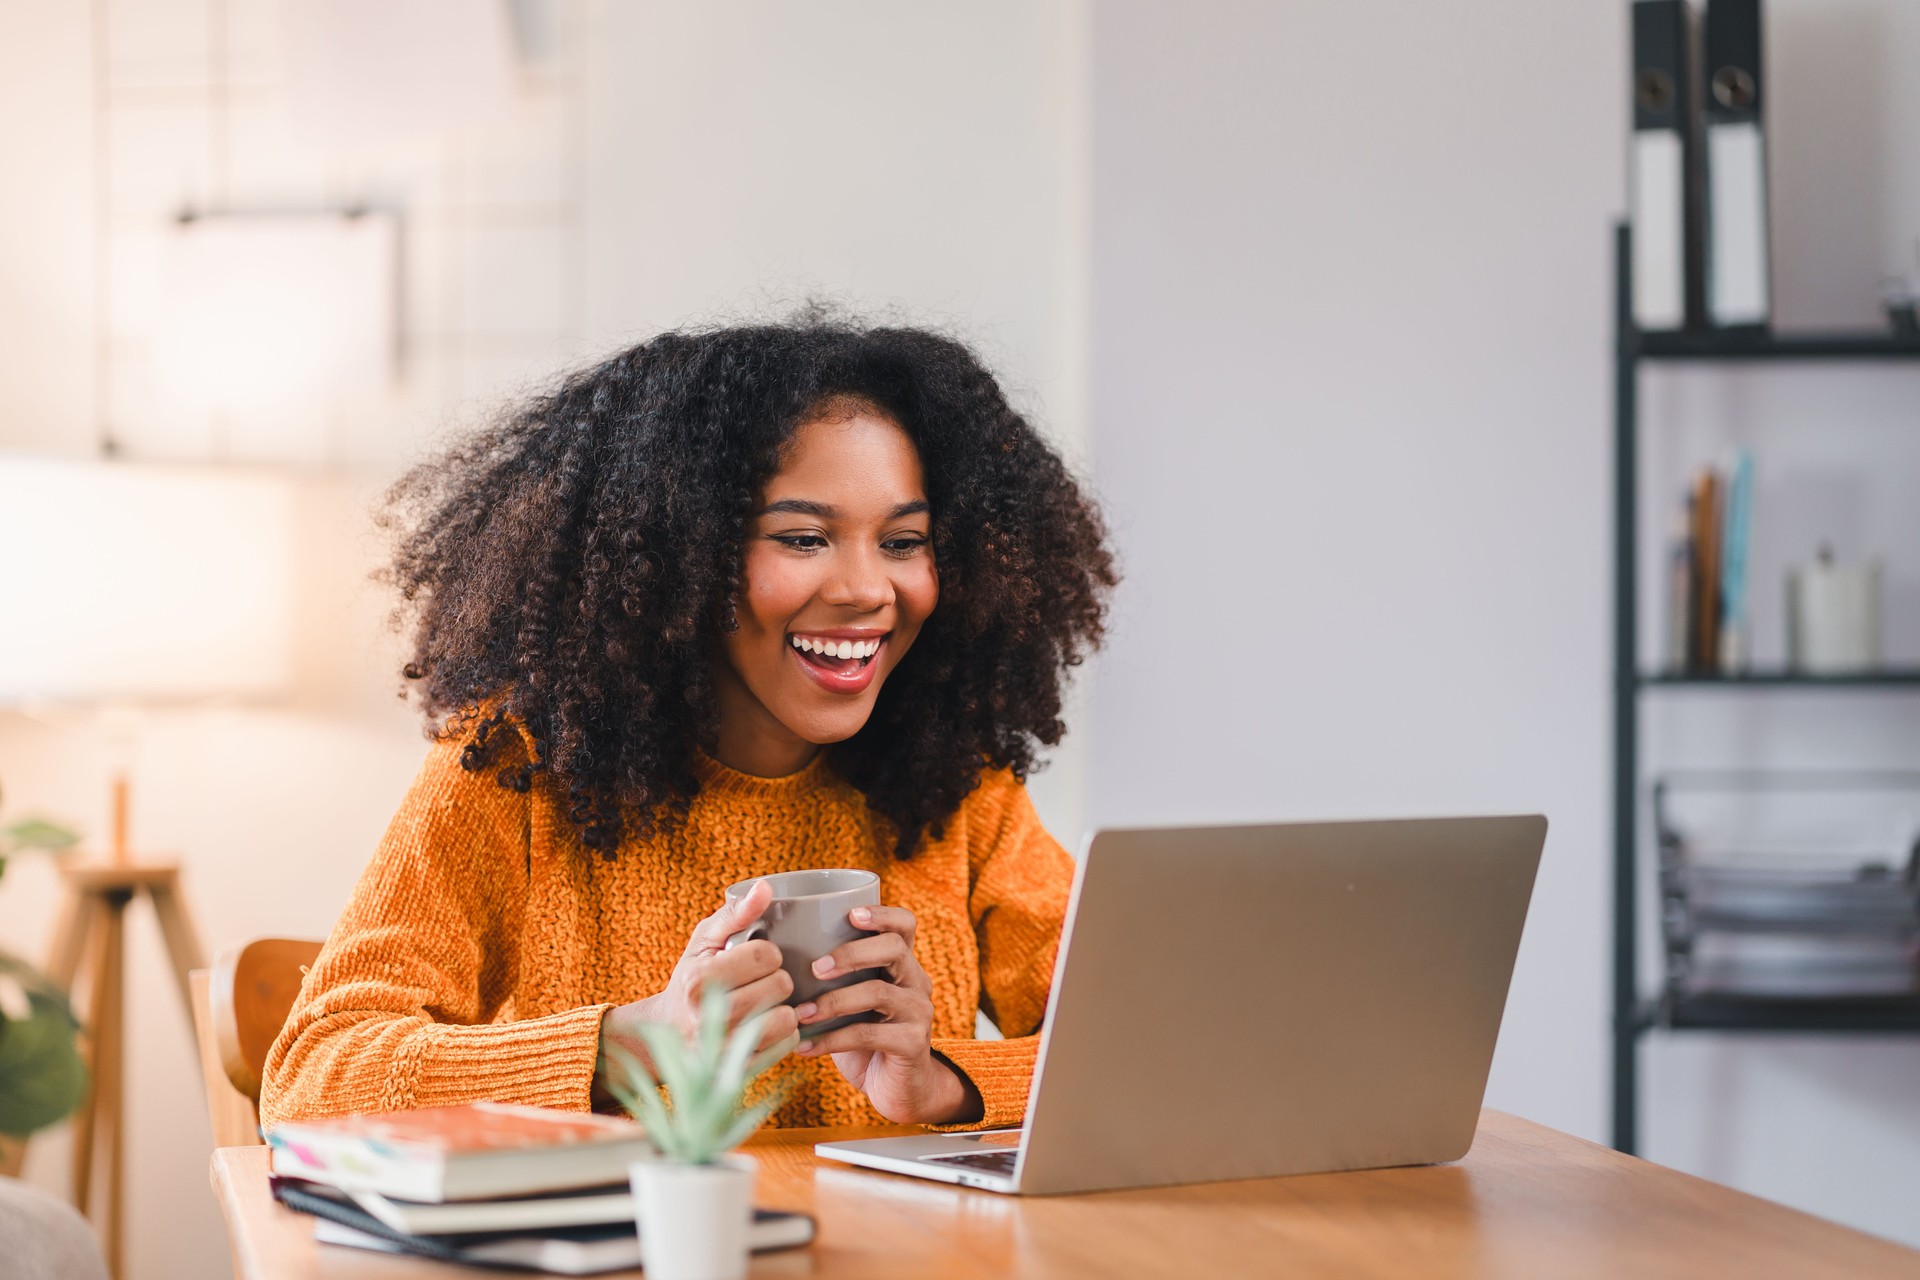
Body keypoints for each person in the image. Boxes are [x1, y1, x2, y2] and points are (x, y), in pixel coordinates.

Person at [259, 317, 1116, 1132]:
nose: (866, 589)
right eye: (804, 537)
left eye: (902, 542)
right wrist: (643, 1038)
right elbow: (314, 1075)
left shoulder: (956, 782)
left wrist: (943, 1085)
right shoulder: (518, 766)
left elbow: (1137, 1041)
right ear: (678, 558)